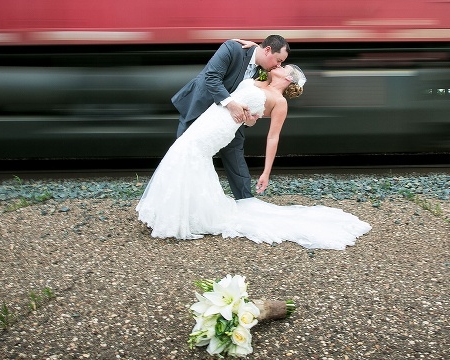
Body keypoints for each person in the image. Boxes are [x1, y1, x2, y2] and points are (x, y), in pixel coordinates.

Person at [136, 63, 371, 250]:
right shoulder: (259, 81)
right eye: (279, 63)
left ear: (287, 79)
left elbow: (272, 137)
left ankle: (180, 215)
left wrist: (266, 172)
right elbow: (253, 66)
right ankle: (179, 212)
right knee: (185, 152)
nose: (278, 66)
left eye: (282, 67)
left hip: (219, 129)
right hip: (211, 119)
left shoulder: (280, 102)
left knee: (189, 152)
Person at [171, 35, 290, 200]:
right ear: (268, 50)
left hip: (229, 121)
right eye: (278, 60)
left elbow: (264, 90)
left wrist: (250, 116)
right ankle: (173, 207)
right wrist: (231, 104)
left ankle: (246, 203)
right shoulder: (232, 49)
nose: (279, 65)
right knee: (182, 157)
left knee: (236, 160)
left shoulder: (264, 71)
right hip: (200, 108)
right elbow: (211, 78)